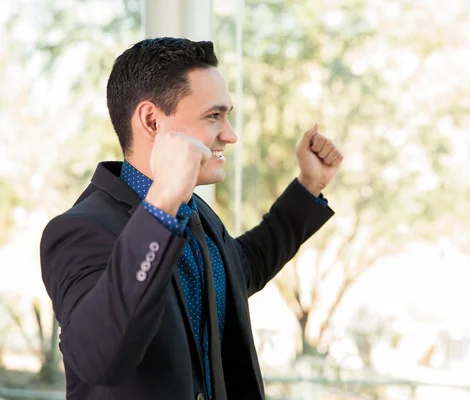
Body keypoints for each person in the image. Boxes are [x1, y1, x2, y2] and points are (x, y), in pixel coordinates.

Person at [39, 37, 343, 400]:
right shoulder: (77, 230)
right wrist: (162, 202)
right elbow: (98, 357)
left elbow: (240, 270)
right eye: (214, 116)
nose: (230, 135)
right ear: (152, 121)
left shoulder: (197, 215)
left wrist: (309, 187)